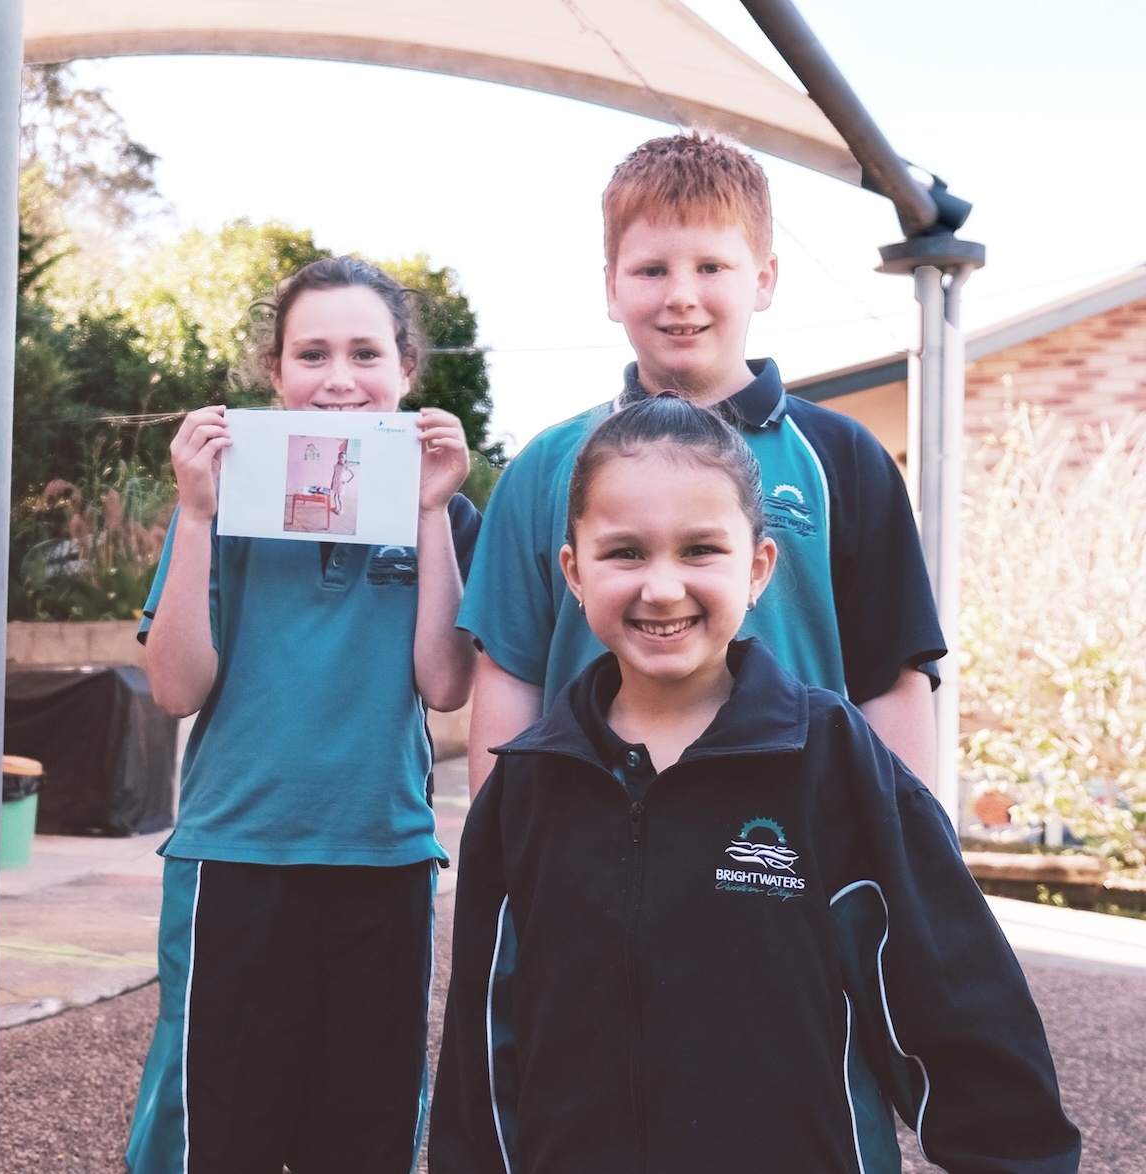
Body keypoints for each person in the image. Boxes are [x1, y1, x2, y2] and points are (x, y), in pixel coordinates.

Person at [427, 395, 1080, 1173]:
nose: (661, 587)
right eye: (625, 552)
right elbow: (484, 1047)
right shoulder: (527, 786)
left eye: (701, 549)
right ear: (573, 571)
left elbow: (960, 1012)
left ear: (758, 568)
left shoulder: (834, 763)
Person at [125, 256, 481, 1174]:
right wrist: (197, 517)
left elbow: (445, 685)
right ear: (275, 375)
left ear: (406, 369)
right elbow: (175, 689)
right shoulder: (219, 503)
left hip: (384, 854)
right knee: (221, 1134)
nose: (338, 379)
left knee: (364, 1134)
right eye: (311, 354)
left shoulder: (444, 509)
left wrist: (434, 511)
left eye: (365, 353)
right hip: (236, 857)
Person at [460, 130, 945, 798]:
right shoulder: (544, 468)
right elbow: (511, 677)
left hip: (794, 854)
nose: (681, 295)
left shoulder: (845, 459)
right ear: (611, 288)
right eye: (651, 270)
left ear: (764, 279)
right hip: (590, 851)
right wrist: (499, 866)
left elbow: (891, 682)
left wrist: (913, 865)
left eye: (711, 267)